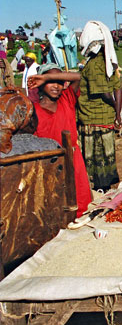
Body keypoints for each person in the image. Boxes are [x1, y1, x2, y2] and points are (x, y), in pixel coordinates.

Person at [27, 64, 93, 216]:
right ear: (40, 84)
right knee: (54, 205)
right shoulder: (34, 111)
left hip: (73, 159)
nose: (56, 86)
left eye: (59, 81)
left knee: (80, 204)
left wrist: (48, 77)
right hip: (50, 164)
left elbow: (79, 76)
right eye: (51, 82)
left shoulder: (67, 99)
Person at [77, 21, 122, 192]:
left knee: (97, 158)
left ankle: (99, 188)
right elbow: (118, 89)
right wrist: (118, 112)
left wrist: (117, 110)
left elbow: (105, 93)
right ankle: (103, 186)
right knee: (104, 155)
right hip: (104, 117)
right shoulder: (109, 63)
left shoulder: (95, 64)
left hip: (93, 118)